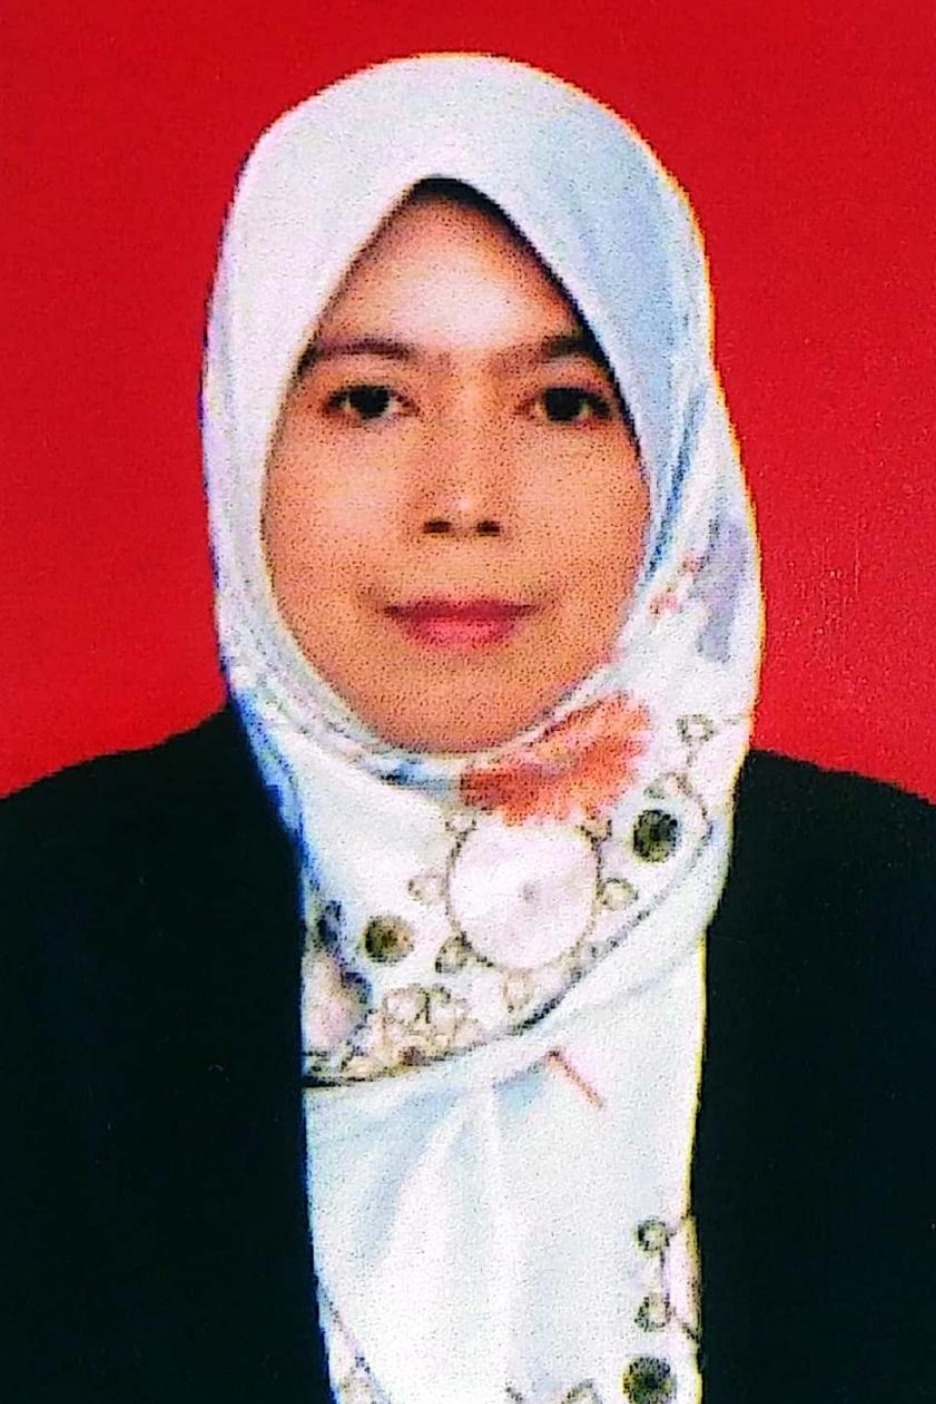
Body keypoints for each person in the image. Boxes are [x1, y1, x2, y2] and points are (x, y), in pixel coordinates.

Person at [3, 53, 934, 1404]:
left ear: (672, 450)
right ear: (247, 432)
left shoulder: (898, 921)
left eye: (561, 403)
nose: (462, 497)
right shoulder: (39, 932)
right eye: (369, 400)